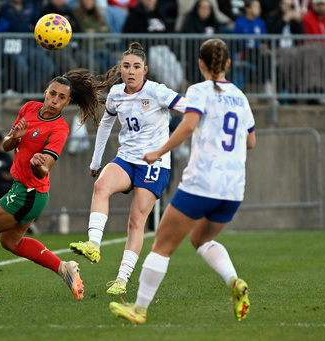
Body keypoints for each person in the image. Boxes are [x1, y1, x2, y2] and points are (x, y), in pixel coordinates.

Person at [109, 38, 256, 324]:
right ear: (227, 64)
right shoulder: (240, 95)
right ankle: (233, 280)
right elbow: (251, 141)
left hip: (202, 182)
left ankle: (139, 309)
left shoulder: (199, 90)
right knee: (201, 238)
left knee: (162, 246)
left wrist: (158, 152)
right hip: (234, 187)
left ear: (200, 64)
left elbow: (188, 125)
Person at [0, 67, 120, 300]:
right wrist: (13, 137)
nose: (55, 100)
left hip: (29, 193)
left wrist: (38, 164)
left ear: (67, 103)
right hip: (25, 190)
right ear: (45, 92)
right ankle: (63, 268)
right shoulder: (28, 108)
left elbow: (45, 168)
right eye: (52, 94)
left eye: (61, 98)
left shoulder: (59, 129)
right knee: (9, 241)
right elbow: (7, 144)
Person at [69, 42, 187, 296]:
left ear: (145, 70)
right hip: (126, 158)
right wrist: (95, 161)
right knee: (101, 185)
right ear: (120, 69)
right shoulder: (116, 93)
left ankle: (122, 279)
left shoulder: (157, 91)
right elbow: (105, 125)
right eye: (126, 66)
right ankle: (93, 244)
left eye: (136, 67)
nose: (131, 71)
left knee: (136, 220)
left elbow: (189, 109)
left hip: (153, 164)